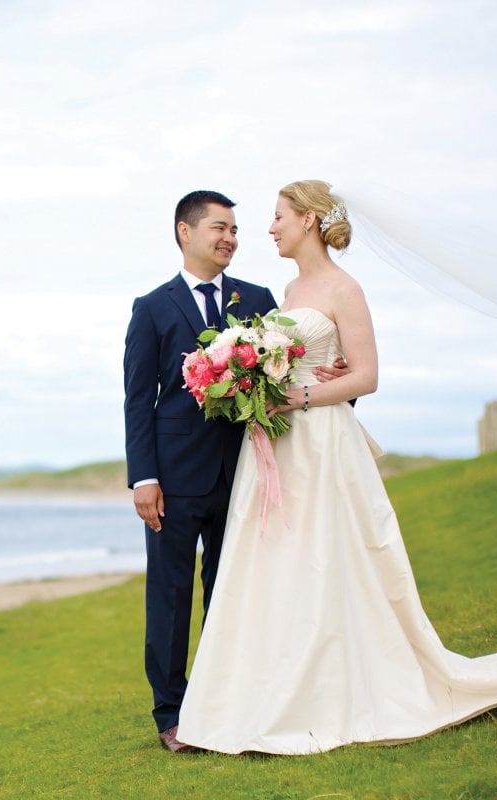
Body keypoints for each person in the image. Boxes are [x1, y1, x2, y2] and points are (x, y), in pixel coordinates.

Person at [176, 180, 497, 755]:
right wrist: (261, 382)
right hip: (279, 442)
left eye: (278, 216)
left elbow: (367, 376)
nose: (269, 228)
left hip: (321, 441)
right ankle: (273, 691)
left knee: (328, 555)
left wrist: (296, 397)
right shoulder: (290, 287)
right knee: (281, 559)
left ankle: (337, 687)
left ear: (308, 220)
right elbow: (309, 361)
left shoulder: (343, 288)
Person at [123, 189, 348, 752]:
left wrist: (329, 378)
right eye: (219, 228)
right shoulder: (152, 307)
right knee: (171, 595)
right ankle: (171, 712)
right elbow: (137, 400)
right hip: (174, 478)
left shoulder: (259, 298)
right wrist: (143, 478)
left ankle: (230, 702)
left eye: (235, 230)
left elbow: (284, 375)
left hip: (250, 471)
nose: (230, 239)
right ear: (185, 232)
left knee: (236, 591)